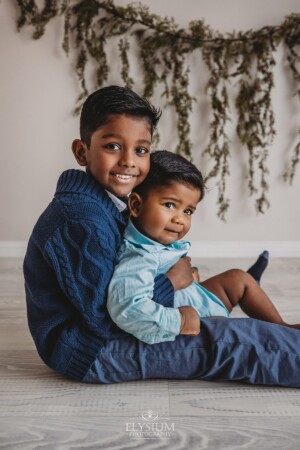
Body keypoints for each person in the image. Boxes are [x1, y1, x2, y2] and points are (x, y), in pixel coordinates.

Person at [23, 85, 300, 387]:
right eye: (113, 146)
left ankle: (283, 330)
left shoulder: (102, 203)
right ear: (82, 151)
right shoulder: (80, 218)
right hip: (93, 349)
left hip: (117, 323)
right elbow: (106, 318)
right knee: (230, 339)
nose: (129, 160)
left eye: (140, 150)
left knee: (229, 286)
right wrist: (172, 285)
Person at [107, 150, 300, 344]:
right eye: (169, 205)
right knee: (246, 332)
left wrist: (190, 278)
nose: (180, 219)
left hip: (198, 297)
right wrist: (179, 320)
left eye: (188, 211)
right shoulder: (138, 258)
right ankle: (275, 332)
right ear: (136, 206)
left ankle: (281, 325)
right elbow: (127, 307)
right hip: (201, 323)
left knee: (238, 279)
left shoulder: (155, 238)